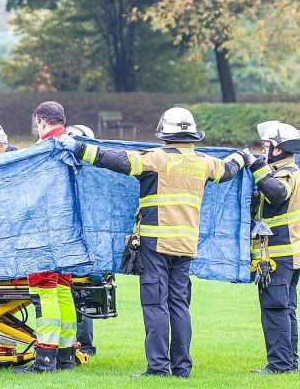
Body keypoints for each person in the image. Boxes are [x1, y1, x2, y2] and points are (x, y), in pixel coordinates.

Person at [63, 106, 247, 378]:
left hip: (155, 243)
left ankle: (158, 368)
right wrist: (241, 156)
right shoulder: (204, 163)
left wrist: (77, 148)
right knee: (180, 306)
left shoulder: (157, 159)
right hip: (186, 244)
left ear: (164, 134)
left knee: (155, 305)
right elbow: (229, 170)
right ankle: (182, 369)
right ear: (192, 136)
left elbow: (114, 159)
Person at [15, 101, 79, 374]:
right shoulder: (77, 145)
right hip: (70, 232)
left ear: (41, 121)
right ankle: (67, 357)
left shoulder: (41, 151)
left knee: (44, 290)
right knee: (64, 290)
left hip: (43, 231)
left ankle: (45, 360)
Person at [246, 121, 300, 374]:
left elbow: (277, 194)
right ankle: (289, 363)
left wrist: (256, 167)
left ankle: (279, 365)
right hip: (287, 255)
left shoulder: (286, 172)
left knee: (275, 308)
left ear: (278, 149)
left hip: (279, 255)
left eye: (266, 146)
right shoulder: (283, 170)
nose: (262, 150)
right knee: (286, 308)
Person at [66, 124, 98, 358]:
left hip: (84, 248)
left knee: (79, 294)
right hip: (74, 244)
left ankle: (83, 345)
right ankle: (78, 344)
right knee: (74, 295)